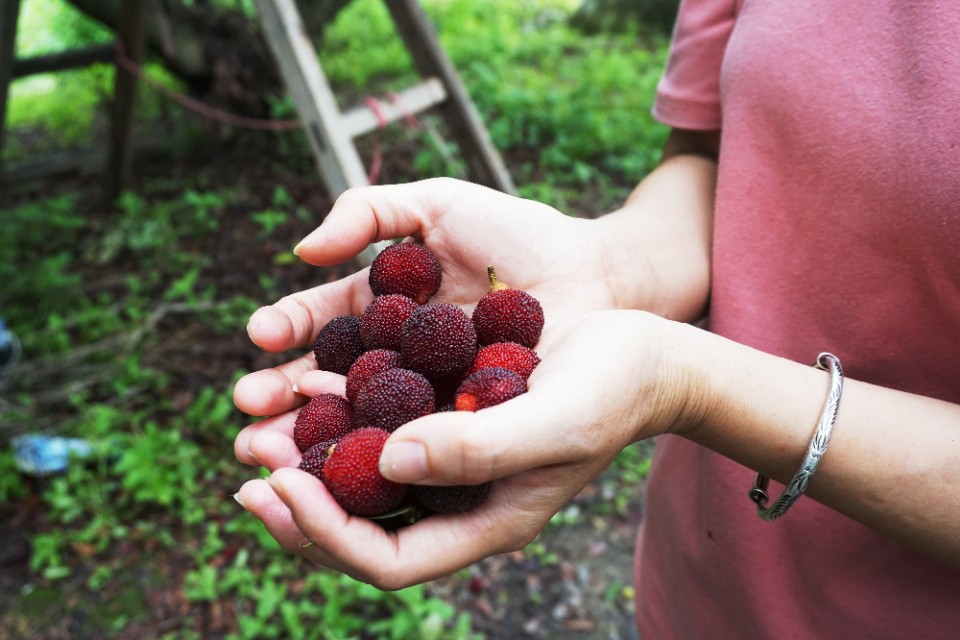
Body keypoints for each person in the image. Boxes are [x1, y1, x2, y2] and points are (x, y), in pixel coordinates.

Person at [232, 0, 960, 636]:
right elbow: (712, 162)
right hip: (699, 582)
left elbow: (673, 376)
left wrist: (687, 383)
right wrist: (610, 265)